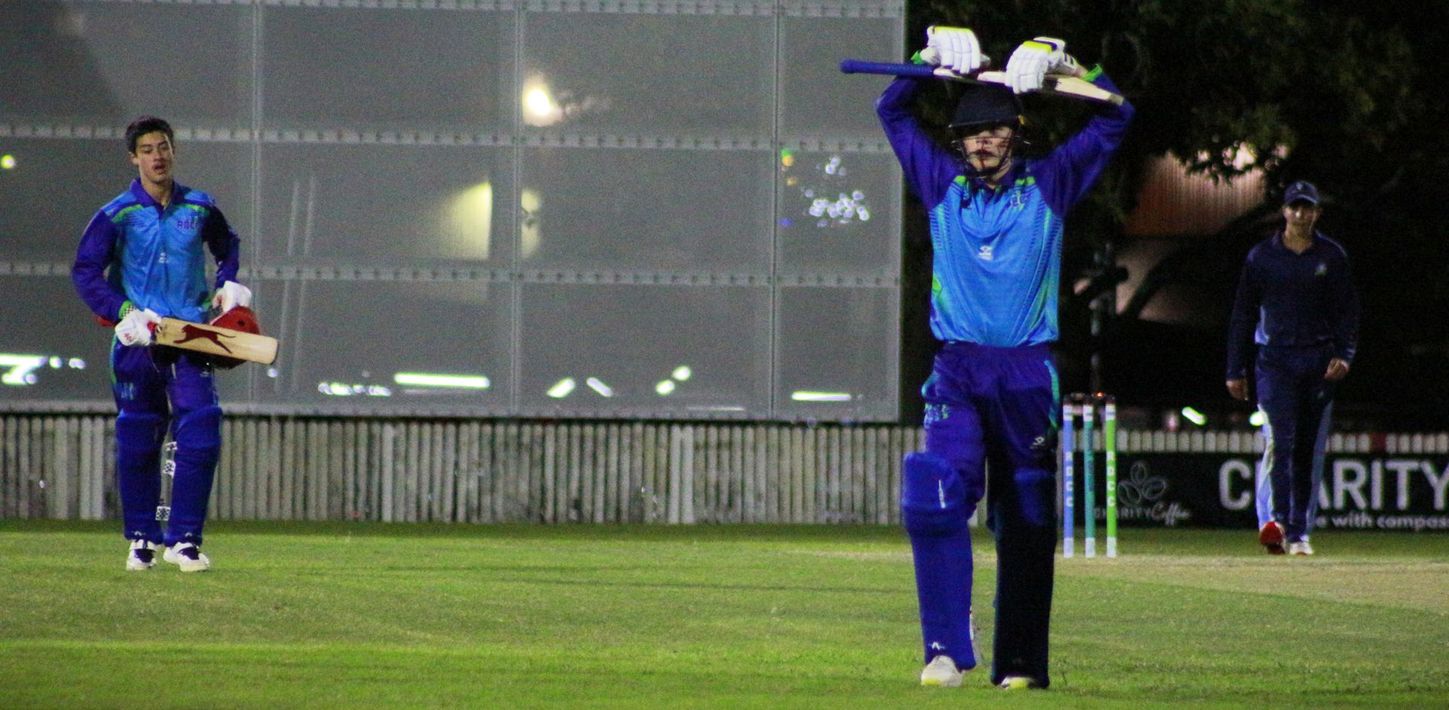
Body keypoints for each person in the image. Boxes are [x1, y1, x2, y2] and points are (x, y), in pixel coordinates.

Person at [876, 28, 1133, 689]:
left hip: (1025, 370)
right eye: (972, 133)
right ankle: (943, 652)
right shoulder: (940, 184)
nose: (982, 141)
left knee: (1024, 520)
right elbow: (891, 111)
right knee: (933, 494)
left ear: (1014, 133)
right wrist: (923, 62)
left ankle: (1018, 666)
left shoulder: (1051, 182)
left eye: (995, 130)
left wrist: (1067, 62)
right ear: (958, 142)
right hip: (957, 368)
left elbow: (1116, 110)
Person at [72, 116, 251, 572]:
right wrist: (122, 311)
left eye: (164, 147)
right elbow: (86, 272)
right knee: (139, 436)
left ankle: (185, 541)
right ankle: (141, 540)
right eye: (148, 149)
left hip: (191, 336)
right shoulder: (117, 213)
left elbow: (227, 246)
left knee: (203, 427)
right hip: (137, 340)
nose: (158, 156)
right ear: (134, 158)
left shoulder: (200, 206)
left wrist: (227, 285)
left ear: (174, 151)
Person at [1226, 180, 1359, 557]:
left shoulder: (1331, 256)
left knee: (1306, 450)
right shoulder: (1262, 257)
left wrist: (1344, 354)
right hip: (1274, 362)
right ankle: (1276, 523)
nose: (1301, 214)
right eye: (1295, 207)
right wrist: (1235, 368)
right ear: (1284, 211)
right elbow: (1242, 313)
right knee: (1278, 442)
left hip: (1318, 362)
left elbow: (1348, 311)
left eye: (1308, 208)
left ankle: (1299, 532)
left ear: (1317, 213)